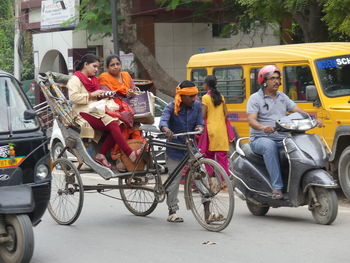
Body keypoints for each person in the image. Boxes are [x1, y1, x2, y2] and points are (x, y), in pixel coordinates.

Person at [247, 65, 312, 199]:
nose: (276, 81)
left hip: (282, 138)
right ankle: (277, 188)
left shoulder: (282, 97)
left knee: (299, 144)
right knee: (269, 146)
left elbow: (296, 109)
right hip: (260, 139)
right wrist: (262, 127)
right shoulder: (255, 98)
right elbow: (251, 120)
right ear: (264, 81)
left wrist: (311, 118)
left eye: (278, 78)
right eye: (272, 79)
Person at [67, 53, 141, 169]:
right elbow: (73, 97)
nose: (96, 70)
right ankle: (130, 154)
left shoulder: (94, 80)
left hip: (97, 109)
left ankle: (101, 154)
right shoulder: (75, 79)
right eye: (94, 66)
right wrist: (92, 95)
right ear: (86, 65)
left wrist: (105, 95)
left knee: (120, 124)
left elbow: (98, 96)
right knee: (112, 124)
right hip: (82, 111)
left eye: (97, 67)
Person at [159, 80, 204, 223]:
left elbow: (200, 122)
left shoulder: (197, 106)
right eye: (190, 96)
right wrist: (166, 129)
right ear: (182, 97)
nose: (194, 99)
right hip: (175, 148)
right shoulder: (171, 107)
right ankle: (172, 211)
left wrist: (198, 127)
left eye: (195, 96)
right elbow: (163, 121)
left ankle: (208, 207)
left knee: (201, 174)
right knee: (174, 180)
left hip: (191, 147)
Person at [200, 75, 230, 177]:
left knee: (209, 155)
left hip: (210, 130)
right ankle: (224, 179)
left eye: (204, 83)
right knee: (222, 156)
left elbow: (203, 115)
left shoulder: (205, 97)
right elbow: (226, 114)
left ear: (207, 85)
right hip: (222, 130)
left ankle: (210, 176)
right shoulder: (221, 97)